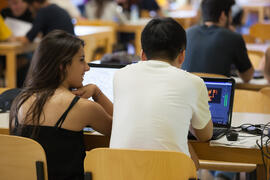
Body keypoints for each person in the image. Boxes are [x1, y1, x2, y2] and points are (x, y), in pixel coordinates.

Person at [109, 17, 213, 168]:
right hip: (169, 173)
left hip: (119, 172)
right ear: (182, 56)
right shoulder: (193, 83)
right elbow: (205, 135)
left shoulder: (120, 75)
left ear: (143, 55)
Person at [10, 30, 113, 180]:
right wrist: (97, 93)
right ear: (62, 65)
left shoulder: (20, 101)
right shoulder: (83, 107)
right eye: (81, 60)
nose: (87, 67)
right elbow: (120, 130)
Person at [182, 0, 254, 83]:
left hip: (186, 93)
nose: (231, 20)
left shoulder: (186, 33)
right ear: (223, 15)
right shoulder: (233, 38)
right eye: (230, 15)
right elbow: (247, 77)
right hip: (217, 94)